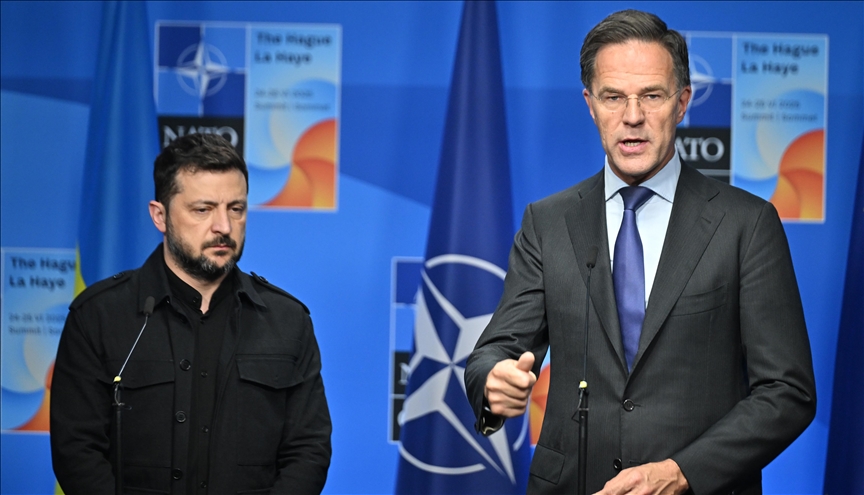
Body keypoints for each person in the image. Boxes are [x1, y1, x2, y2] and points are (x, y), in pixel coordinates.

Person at [464, 9, 816, 495]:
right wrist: (493, 380)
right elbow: (497, 350)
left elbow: (787, 392)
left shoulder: (746, 224)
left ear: (682, 102)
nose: (632, 116)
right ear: (591, 105)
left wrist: (683, 471)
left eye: (652, 95)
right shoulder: (548, 223)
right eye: (613, 97)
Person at [50, 133, 332, 494]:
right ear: (160, 216)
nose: (224, 227)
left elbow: (308, 450)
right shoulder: (98, 316)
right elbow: (77, 450)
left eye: (236, 209)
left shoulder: (287, 321)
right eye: (203, 209)